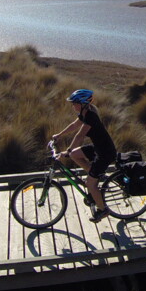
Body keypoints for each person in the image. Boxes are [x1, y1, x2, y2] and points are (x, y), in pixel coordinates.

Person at [51, 89, 117, 223]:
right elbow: (74, 125)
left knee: (90, 185)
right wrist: (59, 135)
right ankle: (96, 175)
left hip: (105, 153)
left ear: (83, 104)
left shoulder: (91, 116)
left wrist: (67, 151)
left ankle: (103, 210)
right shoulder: (85, 113)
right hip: (98, 148)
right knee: (75, 155)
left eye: (75, 103)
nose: (72, 106)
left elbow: (79, 135)